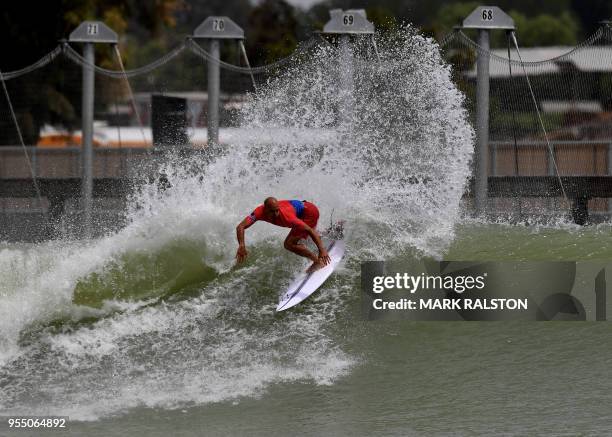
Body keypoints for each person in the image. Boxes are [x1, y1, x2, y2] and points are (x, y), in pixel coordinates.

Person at [236, 197, 331, 272]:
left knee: (289, 244)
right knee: (300, 235)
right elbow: (240, 226)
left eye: (277, 210)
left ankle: (317, 261)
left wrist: (322, 250)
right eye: (272, 211)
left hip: (309, 212)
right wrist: (241, 244)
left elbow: (309, 230)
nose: (276, 214)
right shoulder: (258, 212)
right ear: (265, 210)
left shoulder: (286, 217)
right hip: (302, 209)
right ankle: (332, 232)